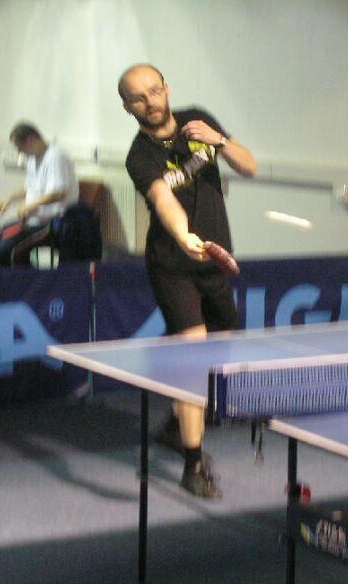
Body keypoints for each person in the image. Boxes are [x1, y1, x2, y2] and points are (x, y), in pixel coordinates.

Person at [118, 64, 257, 498]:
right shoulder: (139, 157)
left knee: (221, 344)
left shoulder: (198, 120)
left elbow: (249, 166)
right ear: (128, 107)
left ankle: (176, 424)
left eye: (154, 90)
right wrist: (183, 235)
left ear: (166, 88)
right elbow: (163, 200)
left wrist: (220, 141)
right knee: (194, 355)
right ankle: (193, 464)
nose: (150, 101)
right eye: (139, 98)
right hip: (173, 265)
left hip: (215, 260)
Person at [0, 122, 78, 268]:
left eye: (19, 147)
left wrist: (30, 206)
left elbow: (59, 193)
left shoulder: (55, 157)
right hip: (31, 220)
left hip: (50, 223)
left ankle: (22, 279)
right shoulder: (32, 159)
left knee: (5, 249)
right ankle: (3, 276)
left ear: (30, 140)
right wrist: (9, 200)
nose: (19, 152)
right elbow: (29, 188)